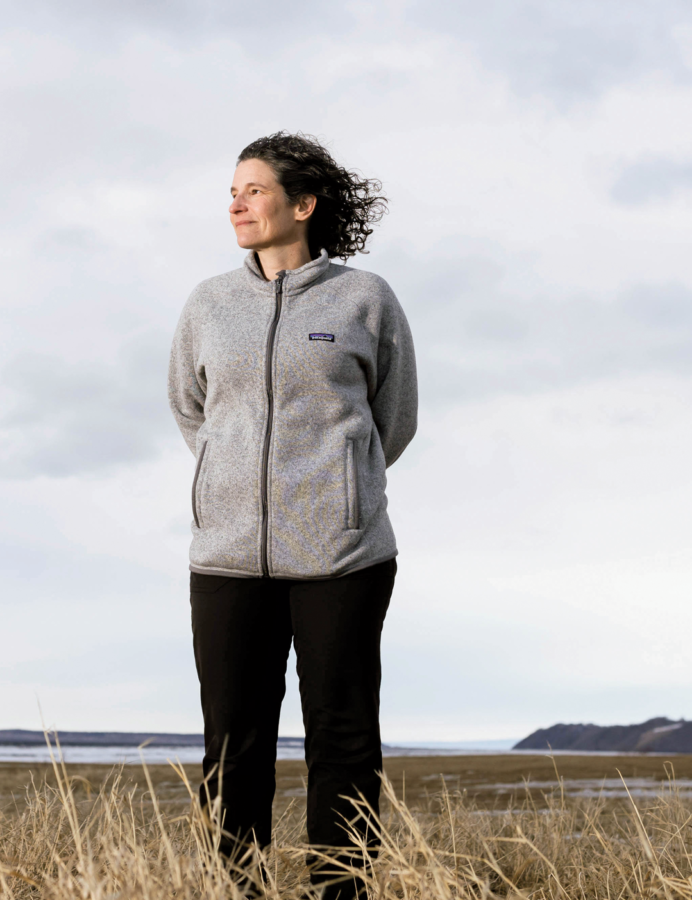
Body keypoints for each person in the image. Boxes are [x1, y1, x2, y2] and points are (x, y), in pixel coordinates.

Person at [167, 132, 417, 899]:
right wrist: (228, 484)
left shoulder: (364, 300)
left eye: (253, 190)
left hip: (342, 557)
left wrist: (340, 493)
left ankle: (340, 892)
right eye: (232, 191)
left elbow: (392, 420)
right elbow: (192, 409)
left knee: (342, 740)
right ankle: (235, 889)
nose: (236, 203)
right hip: (228, 557)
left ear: (302, 205)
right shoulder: (209, 303)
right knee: (232, 746)